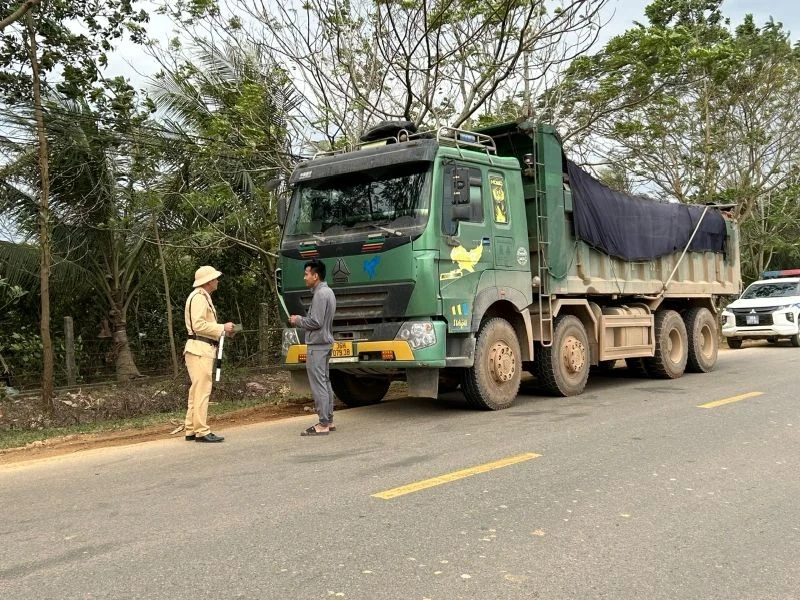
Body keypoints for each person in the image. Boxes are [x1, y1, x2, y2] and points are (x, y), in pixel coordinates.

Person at [183, 265, 235, 443]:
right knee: (202, 390)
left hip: (200, 347)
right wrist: (222, 327)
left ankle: (191, 428)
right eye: (215, 278)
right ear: (208, 282)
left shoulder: (201, 297)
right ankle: (201, 430)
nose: (217, 280)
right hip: (200, 349)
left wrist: (222, 331)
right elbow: (198, 325)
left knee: (196, 389)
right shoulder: (199, 298)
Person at [289, 259, 337, 436]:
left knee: (318, 384)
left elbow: (315, 321)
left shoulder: (320, 294)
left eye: (307, 274)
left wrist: (298, 320)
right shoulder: (328, 292)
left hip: (317, 345)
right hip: (325, 342)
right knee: (325, 381)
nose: (304, 277)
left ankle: (323, 423)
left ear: (315, 276)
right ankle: (329, 420)